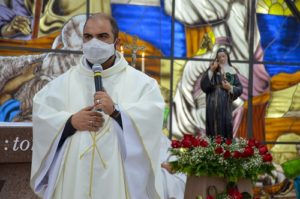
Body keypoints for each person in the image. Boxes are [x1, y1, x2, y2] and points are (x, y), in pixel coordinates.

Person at [30, 13, 166, 199]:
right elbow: (41, 113)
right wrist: (70, 122)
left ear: (116, 43)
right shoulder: (63, 83)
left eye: (102, 36)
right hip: (73, 174)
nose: (94, 43)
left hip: (117, 176)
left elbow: (152, 118)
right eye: (88, 37)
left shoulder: (142, 84)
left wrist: (117, 112)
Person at [200, 48, 243, 138]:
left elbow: (239, 89)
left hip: (225, 105)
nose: (222, 58)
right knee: (213, 127)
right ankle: (212, 149)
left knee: (226, 126)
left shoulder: (231, 71)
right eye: (219, 57)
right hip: (212, 104)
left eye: (223, 56)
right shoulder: (212, 69)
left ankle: (225, 150)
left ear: (227, 57)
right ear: (217, 58)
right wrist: (211, 70)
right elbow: (203, 85)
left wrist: (230, 88)